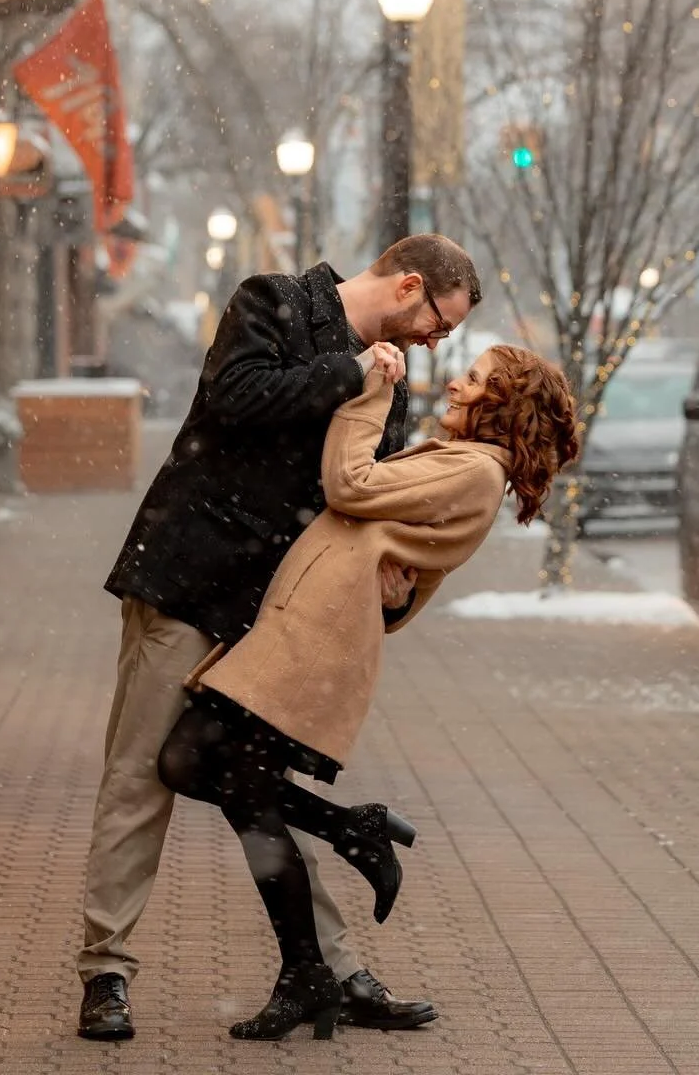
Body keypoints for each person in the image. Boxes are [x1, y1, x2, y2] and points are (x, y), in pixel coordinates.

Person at [76, 236, 482, 1042]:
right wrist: (354, 372)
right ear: (409, 287)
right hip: (188, 578)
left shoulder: (390, 385)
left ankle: (331, 971)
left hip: (277, 613)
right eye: (441, 322)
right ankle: (105, 973)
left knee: (253, 782)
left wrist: (398, 567)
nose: (439, 342)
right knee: (139, 779)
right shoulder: (275, 301)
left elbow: (362, 495)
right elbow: (236, 398)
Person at [159, 344, 578, 1041]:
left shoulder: (475, 473)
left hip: (311, 649)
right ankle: (342, 863)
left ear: (502, 405)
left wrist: (370, 392)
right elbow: (391, 548)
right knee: (213, 774)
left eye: (473, 380)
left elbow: (351, 489)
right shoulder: (460, 462)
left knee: (210, 773)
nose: (456, 382)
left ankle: (311, 961)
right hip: (296, 636)